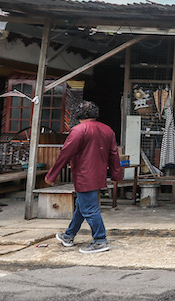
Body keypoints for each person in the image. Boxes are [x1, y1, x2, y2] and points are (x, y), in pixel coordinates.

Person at [48, 101, 121, 254]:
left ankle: (100, 240)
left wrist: (52, 174)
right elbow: (114, 154)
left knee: (90, 209)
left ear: (77, 115)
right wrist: (116, 174)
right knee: (82, 207)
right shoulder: (108, 130)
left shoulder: (78, 130)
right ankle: (68, 235)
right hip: (99, 174)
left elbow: (65, 154)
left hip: (84, 174)